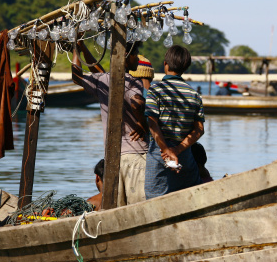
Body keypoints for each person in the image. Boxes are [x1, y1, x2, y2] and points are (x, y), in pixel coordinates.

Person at [72, 40, 149, 206]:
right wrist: (142, 122)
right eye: (136, 55)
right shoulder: (133, 81)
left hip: (114, 157)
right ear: (126, 57)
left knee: (118, 207)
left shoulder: (104, 80)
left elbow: (76, 76)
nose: (137, 59)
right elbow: (137, 102)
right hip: (137, 153)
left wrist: (78, 49)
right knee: (138, 207)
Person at [144, 45, 204, 199]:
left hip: (159, 155)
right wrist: (177, 150)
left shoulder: (155, 90)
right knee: (188, 199)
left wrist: (166, 150)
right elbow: (199, 130)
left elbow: (152, 123)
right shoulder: (194, 94)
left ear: (165, 64)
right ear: (186, 67)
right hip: (184, 156)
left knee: (154, 200)